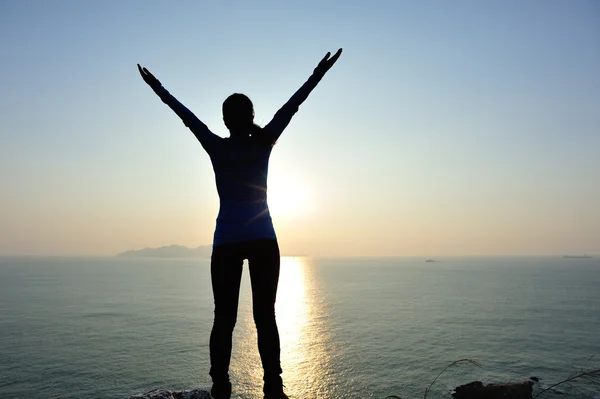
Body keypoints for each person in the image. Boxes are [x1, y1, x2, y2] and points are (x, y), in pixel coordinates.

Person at [137, 48, 342, 399]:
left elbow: (185, 117)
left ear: (226, 119)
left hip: (227, 242)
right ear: (250, 116)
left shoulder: (216, 146)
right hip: (263, 239)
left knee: (224, 319)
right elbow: (292, 106)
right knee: (266, 316)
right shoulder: (264, 143)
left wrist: (157, 87)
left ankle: (221, 387)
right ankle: (273, 387)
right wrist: (317, 73)